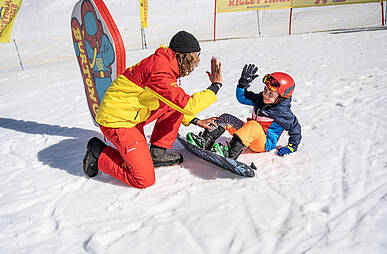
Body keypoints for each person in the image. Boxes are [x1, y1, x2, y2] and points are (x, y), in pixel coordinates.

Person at [82, 31, 223, 188]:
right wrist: (215, 86)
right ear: (183, 55)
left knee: (174, 102)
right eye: (196, 55)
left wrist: (195, 121)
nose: (197, 60)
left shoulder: (166, 64)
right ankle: (98, 152)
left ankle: (157, 154)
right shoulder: (160, 71)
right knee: (144, 179)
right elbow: (188, 105)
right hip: (117, 121)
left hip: (132, 114)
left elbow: (175, 103)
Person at [187, 64, 301, 160]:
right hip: (249, 135)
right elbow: (242, 97)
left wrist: (292, 146)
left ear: (282, 97)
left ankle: (231, 152)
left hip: (263, 143)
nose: (265, 94)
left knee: (254, 125)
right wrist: (243, 84)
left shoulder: (282, 112)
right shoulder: (261, 99)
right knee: (226, 118)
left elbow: (294, 126)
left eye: (271, 93)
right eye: (265, 89)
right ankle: (206, 140)